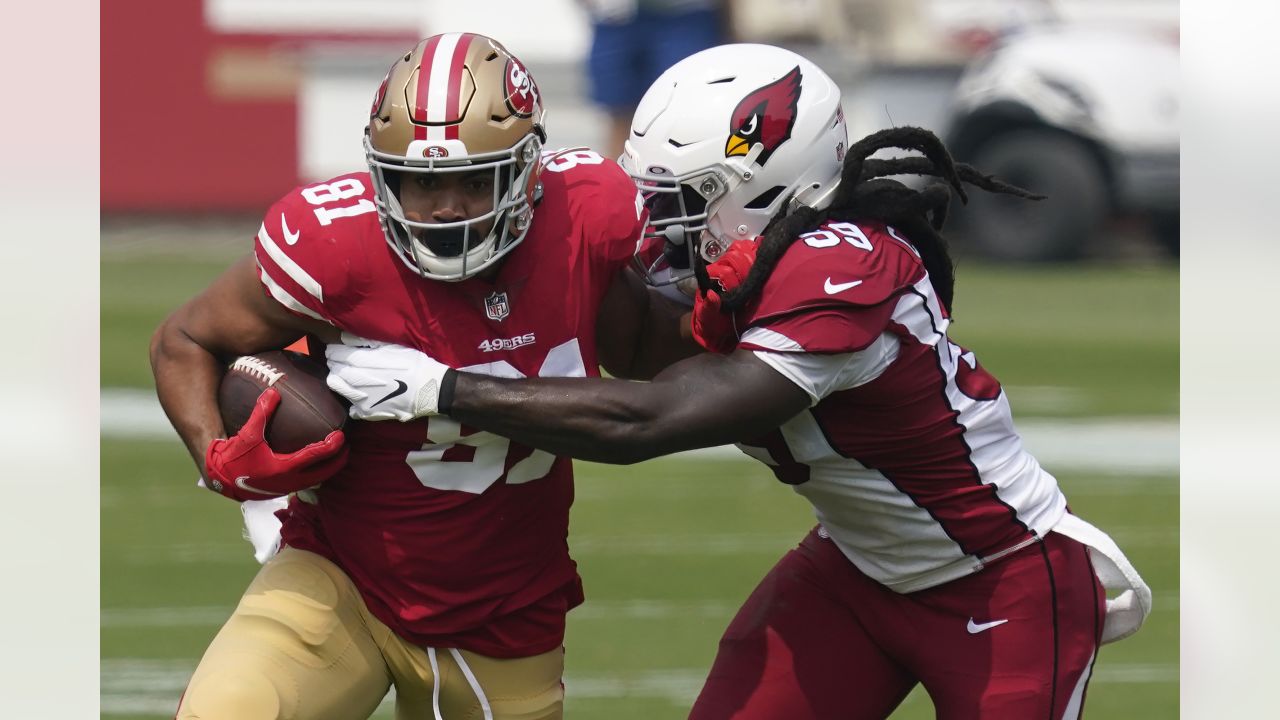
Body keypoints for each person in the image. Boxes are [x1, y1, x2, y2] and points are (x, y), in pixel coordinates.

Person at [325, 44, 1152, 719]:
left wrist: (446, 389)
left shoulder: (844, 265)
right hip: (858, 571)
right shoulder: (749, 263)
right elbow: (635, 344)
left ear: (764, 189)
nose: (653, 224)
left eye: (680, 200)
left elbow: (654, 420)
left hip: (1002, 580)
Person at [149, 32, 693, 720]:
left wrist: (728, 318)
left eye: (475, 180)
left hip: (505, 617)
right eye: (424, 182)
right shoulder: (335, 245)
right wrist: (218, 457)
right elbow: (185, 338)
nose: (446, 208)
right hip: (338, 575)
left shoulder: (588, 214)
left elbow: (646, 352)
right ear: (383, 175)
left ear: (530, 172)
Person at [578, 0, 730, 159]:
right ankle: (620, 180)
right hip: (616, 14)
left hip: (685, 13)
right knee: (619, 113)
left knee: (686, 109)